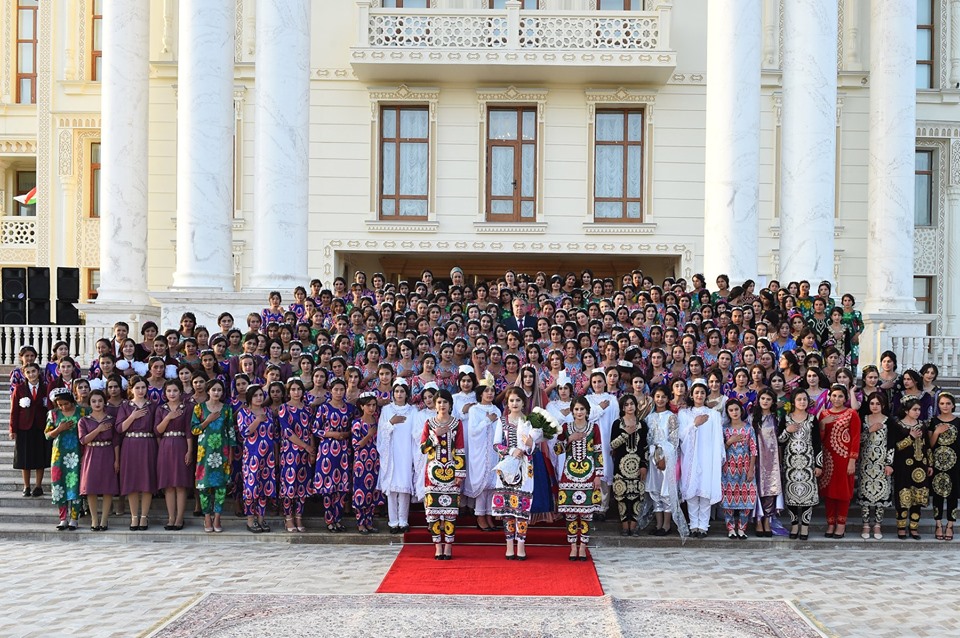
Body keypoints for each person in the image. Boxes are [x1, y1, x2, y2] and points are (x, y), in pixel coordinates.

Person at [554, 395, 604, 560]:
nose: (579, 412)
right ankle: (572, 546)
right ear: (572, 411)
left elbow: (598, 452)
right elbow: (557, 449)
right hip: (569, 475)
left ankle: (583, 546)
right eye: (576, 409)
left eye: (582, 409)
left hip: (589, 475)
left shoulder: (594, 427)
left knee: (586, 514)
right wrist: (569, 439)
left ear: (587, 411)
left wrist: (598, 475)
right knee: (570, 513)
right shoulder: (566, 427)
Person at [493, 387, 539, 560]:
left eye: (518, 400)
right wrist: (511, 450)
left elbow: (534, 449)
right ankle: (509, 545)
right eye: (511, 400)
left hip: (525, 468)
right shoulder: (502, 421)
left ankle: (521, 544)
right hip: (506, 468)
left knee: (521, 508)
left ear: (523, 402)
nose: (514, 404)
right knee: (508, 508)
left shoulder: (530, 421)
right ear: (507, 402)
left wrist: (530, 444)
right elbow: (496, 444)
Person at [419, 389, 466, 560]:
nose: (442, 405)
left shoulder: (457, 423)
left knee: (450, 512)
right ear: (434, 404)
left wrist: (460, 473)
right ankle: (437, 546)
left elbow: (460, 448)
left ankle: (448, 546)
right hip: (432, 473)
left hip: (452, 471)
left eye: (445, 402)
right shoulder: (429, 423)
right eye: (439, 402)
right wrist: (434, 437)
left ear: (450, 404)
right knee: (433, 512)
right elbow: (423, 448)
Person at [677, 381, 724, 538]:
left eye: (702, 393)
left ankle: (703, 526)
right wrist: (694, 425)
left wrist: (719, 457)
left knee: (704, 492)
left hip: (706, 456)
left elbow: (718, 439)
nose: (699, 395)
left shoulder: (714, 415)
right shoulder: (684, 414)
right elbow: (680, 436)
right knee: (691, 492)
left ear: (706, 395)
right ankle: (693, 525)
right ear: (691, 395)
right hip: (689, 456)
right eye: (696, 392)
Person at [192, 379, 235, 533]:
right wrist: (207, 421)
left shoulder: (227, 409)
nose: (216, 393)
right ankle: (207, 517)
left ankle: (217, 517)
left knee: (221, 487)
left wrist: (230, 453)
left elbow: (231, 432)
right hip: (204, 454)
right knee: (204, 487)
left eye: (219, 390)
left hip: (222, 453)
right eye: (214, 390)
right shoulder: (199, 408)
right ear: (208, 391)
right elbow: (194, 430)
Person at [818, 384, 861, 539]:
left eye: (840, 396)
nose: (837, 399)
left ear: (845, 398)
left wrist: (852, 460)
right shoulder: (823, 414)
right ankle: (830, 523)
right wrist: (822, 424)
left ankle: (841, 525)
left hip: (844, 459)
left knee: (843, 492)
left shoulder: (851, 414)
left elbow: (855, 438)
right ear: (830, 396)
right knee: (829, 492)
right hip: (828, 458)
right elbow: (820, 439)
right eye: (834, 396)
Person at [377, 378, 419, 533]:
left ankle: (403, 521)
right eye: (396, 391)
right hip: (391, 453)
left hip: (406, 452)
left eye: (402, 391)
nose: (399, 394)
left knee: (404, 488)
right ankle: (393, 522)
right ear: (393, 393)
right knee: (392, 489)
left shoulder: (413, 411)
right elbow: (381, 433)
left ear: (406, 393)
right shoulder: (386, 410)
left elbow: (416, 433)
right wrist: (391, 423)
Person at [116, 376, 158, 531]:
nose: (141, 391)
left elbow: (156, 428)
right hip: (130, 444)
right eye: (137, 388)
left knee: (146, 482)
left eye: (143, 387)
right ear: (131, 389)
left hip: (148, 444)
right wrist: (132, 417)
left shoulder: (152, 406)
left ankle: (144, 517)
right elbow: (119, 428)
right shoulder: (125, 406)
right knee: (132, 482)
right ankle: (134, 516)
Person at [312, 378, 353, 533]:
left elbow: (354, 428)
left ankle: (338, 518)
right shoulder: (324, 408)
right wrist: (332, 434)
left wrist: (345, 434)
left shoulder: (349, 408)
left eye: (341, 390)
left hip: (344, 450)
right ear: (331, 391)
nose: (338, 392)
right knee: (328, 488)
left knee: (342, 488)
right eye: (335, 389)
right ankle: (329, 520)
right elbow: (315, 429)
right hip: (327, 450)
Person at [887, 398, 930, 540]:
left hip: (920, 467)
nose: (917, 412)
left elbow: (927, 446)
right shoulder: (898, 425)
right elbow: (895, 446)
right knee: (903, 495)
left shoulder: (923, 425)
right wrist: (910, 438)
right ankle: (901, 528)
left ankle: (914, 528)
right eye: (914, 409)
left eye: (919, 410)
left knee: (917, 496)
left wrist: (930, 464)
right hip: (903, 466)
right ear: (906, 411)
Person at [154, 380, 194, 531]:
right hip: (165, 444)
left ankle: (179, 518)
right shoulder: (161, 409)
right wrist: (168, 417)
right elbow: (157, 430)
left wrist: (189, 450)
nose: (172, 394)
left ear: (181, 391)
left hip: (181, 443)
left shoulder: (187, 408)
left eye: (175, 391)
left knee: (180, 484)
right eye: (169, 391)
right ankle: (171, 517)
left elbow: (189, 431)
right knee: (168, 485)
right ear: (165, 393)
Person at [464, 373, 501, 532]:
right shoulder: (475, 410)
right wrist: (487, 420)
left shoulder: (496, 410)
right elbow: (472, 431)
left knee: (492, 483)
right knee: (482, 483)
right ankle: (480, 515)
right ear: (480, 393)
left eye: (492, 390)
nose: (490, 393)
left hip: (493, 450)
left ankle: (489, 514)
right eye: (486, 390)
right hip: (479, 451)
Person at [645, 385, 684, 537]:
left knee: (666, 490)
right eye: (657, 396)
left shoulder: (671, 417)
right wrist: (654, 455)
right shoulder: (649, 417)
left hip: (667, 458)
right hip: (652, 456)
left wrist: (662, 456)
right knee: (655, 490)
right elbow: (648, 439)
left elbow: (674, 441)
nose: (660, 399)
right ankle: (658, 523)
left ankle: (667, 525)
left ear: (668, 399)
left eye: (663, 397)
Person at [277, 378, 315, 533]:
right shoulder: (283, 408)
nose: (296, 392)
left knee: (303, 486)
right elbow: (287, 432)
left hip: (305, 453)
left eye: (299, 389)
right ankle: (288, 518)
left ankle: (299, 516)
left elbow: (311, 430)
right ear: (289, 392)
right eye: (293, 389)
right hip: (290, 452)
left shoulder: (308, 409)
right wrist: (305, 446)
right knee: (289, 486)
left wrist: (312, 449)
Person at [45, 388, 86, 530]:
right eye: (60, 404)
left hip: (76, 454)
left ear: (72, 400)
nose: (63, 407)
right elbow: (47, 435)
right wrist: (59, 429)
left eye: (66, 404)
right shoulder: (53, 414)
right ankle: (63, 518)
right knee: (59, 485)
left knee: (75, 485)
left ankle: (74, 518)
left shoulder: (82, 411)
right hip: (58, 455)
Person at [78, 390, 119, 531]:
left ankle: (104, 519)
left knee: (108, 488)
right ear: (89, 403)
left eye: (100, 401)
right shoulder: (84, 420)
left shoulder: (111, 419)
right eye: (94, 401)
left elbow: (116, 441)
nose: (97, 404)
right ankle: (94, 519)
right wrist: (99, 429)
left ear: (104, 402)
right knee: (91, 488)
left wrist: (117, 460)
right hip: (91, 453)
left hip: (108, 452)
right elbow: (83, 440)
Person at [609, 394, 647, 537]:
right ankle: (625, 527)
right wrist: (626, 433)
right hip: (621, 466)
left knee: (637, 496)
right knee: (621, 496)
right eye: (626, 405)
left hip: (638, 465)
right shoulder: (617, 423)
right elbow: (612, 445)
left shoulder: (642, 424)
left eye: (632, 404)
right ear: (622, 407)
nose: (630, 407)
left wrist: (644, 465)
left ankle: (634, 527)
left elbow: (645, 446)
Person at [9, 361, 49, 498]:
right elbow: (14, 410)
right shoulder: (19, 389)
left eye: (34, 371)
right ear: (24, 374)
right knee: (24, 458)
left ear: (38, 372)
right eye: (28, 372)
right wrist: (12, 429)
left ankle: (38, 486)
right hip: (24, 427)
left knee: (40, 457)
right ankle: (26, 486)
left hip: (41, 427)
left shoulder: (45, 388)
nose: (31, 374)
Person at [857, 391, 892, 540]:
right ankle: (866, 524)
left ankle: (877, 524)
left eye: (878, 403)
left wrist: (889, 463)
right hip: (865, 463)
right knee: (865, 493)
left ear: (883, 405)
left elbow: (891, 444)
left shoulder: (889, 421)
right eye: (872, 403)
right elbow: (857, 439)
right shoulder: (863, 419)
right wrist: (869, 430)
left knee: (881, 495)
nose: (875, 406)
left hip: (881, 463)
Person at [721, 399, 757, 540]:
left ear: (741, 411)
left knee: (746, 497)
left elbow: (754, 450)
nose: (734, 412)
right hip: (728, 468)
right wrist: (730, 441)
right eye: (731, 410)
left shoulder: (749, 428)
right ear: (728, 412)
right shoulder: (724, 429)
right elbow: (720, 450)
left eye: (736, 409)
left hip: (745, 467)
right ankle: (730, 529)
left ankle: (742, 528)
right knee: (728, 498)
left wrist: (750, 469)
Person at [750, 389, 782, 537]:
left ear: (773, 401)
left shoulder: (777, 418)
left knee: (771, 488)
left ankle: (767, 520)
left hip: (773, 458)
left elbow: (781, 438)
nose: (765, 401)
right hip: (757, 458)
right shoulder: (752, 418)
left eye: (768, 399)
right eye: (762, 398)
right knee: (758, 487)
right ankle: (758, 519)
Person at [929, 392, 959, 541]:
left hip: (955, 464)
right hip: (937, 464)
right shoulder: (933, 421)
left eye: (948, 403)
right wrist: (936, 432)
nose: (945, 406)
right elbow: (930, 445)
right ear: (938, 405)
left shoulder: (958, 422)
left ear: (953, 405)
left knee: (953, 495)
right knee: (938, 494)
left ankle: (950, 525)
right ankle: (938, 524)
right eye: (942, 403)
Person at [351, 392, 381, 534]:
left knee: (372, 492)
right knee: (361, 492)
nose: (371, 408)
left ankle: (369, 521)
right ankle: (360, 523)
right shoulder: (357, 423)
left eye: (374, 405)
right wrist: (369, 435)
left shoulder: (377, 421)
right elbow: (356, 445)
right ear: (362, 406)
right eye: (368, 405)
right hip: (361, 463)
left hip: (375, 462)